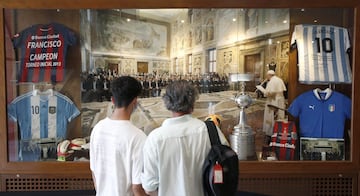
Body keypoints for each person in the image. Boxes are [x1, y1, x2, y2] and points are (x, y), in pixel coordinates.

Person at [141, 80, 228, 196]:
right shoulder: (210, 130)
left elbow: (149, 187)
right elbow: (226, 160)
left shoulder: (155, 138)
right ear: (192, 104)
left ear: (167, 104)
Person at [90, 76, 147, 196]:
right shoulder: (138, 137)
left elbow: (94, 172)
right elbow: (137, 187)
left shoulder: (97, 128)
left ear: (113, 100)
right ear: (135, 101)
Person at [257, 70, 287, 136]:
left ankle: (272, 132)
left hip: (273, 101)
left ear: (269, 75)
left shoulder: (272, 81)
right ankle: (280, 131)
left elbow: (269, 93)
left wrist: (261, 89)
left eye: (267, 75)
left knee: (272, 117)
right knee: (280, 115)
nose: (266, 77)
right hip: (280, 100)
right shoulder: (279, 79)